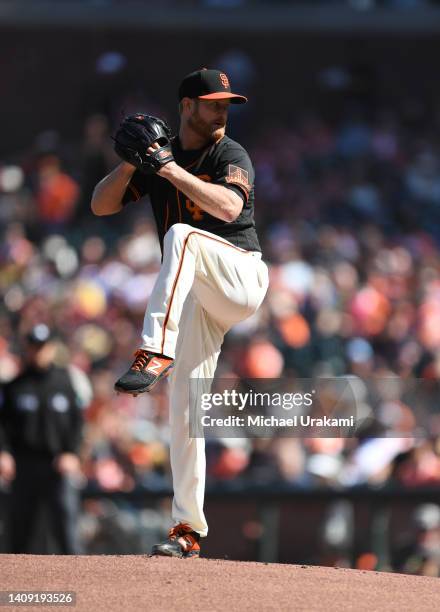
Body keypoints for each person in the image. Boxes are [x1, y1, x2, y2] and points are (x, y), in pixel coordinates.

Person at [91, 68, 269, 558]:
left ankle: (154, 349)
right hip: (197, 296)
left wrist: (167, 169)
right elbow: (101, 205)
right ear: (186, 105)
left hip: (240, 276)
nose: (222, 110)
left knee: (180, 235)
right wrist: (131, 164)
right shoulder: (160, 156)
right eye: (213, 102)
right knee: (186, 409)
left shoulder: (230, 153)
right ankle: (188, 528)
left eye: (227, 103)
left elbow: (229, 209)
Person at [0, 324, 92, 554]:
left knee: (65, 528)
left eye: (43, 347)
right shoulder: (15, 386)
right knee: (20, 529)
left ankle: (80, 580)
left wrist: (72, 452)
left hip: (57, 465)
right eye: (34, 347)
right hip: (24, 465)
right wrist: (4, 452)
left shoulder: (65, 382)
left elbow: (77, 423)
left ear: (51, 349)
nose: (38, 352)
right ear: (27, 349)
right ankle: (18, 585)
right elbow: (3, 425)